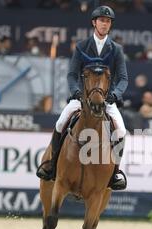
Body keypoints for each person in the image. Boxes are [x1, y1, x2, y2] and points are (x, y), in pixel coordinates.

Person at [36, 5, 128, 190]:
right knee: (61, 122)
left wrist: (115, 95)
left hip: (106, 100)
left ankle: (115, 172)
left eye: (108, 21)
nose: (105, 24)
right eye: (102, 20)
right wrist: (76, 91)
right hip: (82, 98)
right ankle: (52, 164)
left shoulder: (116, 49)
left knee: (122, 131)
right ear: (94, 23)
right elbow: (72, 74)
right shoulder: (82, 46)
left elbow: (123, 78)